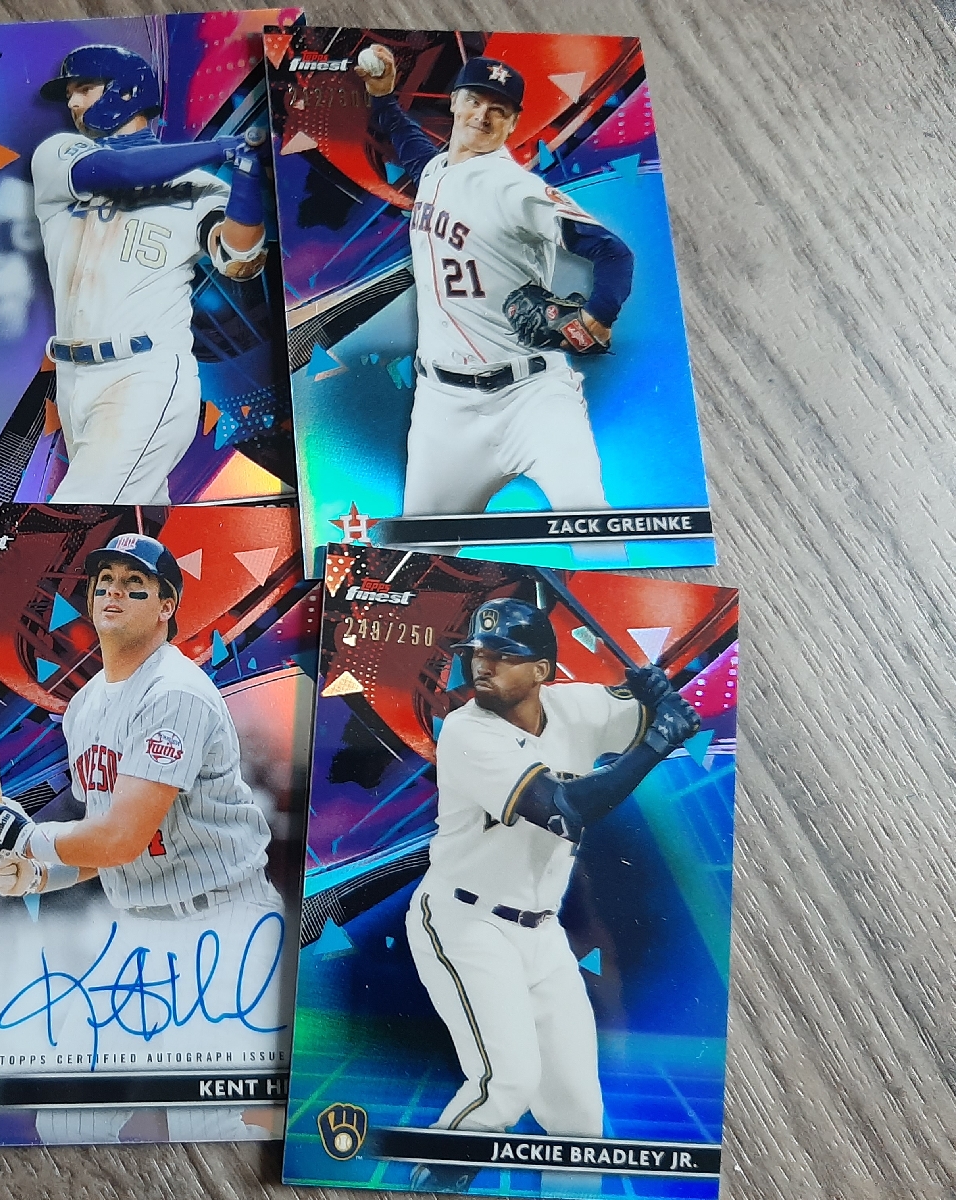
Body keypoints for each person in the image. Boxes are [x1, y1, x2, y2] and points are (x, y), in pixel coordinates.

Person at [0, 532, 284, 1143]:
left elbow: (121, 838)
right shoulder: (84, 707)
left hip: (222, 924)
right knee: (67, 1116)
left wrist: (30, 839)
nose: (113, 593)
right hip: (141, 930)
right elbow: (105, 850)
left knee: (207, 1125)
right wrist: (33, 876)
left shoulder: (176, 693)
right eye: (104, 583)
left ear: (167, 605)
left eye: (134, 585)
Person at [401, 597, 699, 1191]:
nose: (482, 665)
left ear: (541, 670)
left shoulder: (575, 706)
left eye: (502, 655)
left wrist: (657, 694)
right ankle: (434, 1178)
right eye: (477, 653)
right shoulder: (467, 732)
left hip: (541, 933)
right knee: (505, 1087)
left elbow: (658, 712)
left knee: (579, 1121)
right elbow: (566, 810)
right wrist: (656, 741)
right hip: (464, 921)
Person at [358, 48, 636, 521]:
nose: (482, 116)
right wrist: (383, 98)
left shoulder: (514, 188)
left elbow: (614, 252)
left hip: (533, 397)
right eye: (474, 101)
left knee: (591, 524)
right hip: (442, 407)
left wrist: (599, 314)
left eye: (498, 110)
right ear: (454, 102)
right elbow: (410, 144)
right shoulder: (436, 171)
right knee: (417, 549)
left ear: (512, 123)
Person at [31, 45, 268, 504]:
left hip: (144, 375)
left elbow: (240, 260)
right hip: (73, 379)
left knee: (78, 516)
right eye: (70, 93)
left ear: (125, 91)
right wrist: (222, 147)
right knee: (132, 522)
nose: (73, 103)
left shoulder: (200, 188)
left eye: (85, 88)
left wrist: (246, 181)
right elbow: (119, 169)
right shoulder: (58, 155)